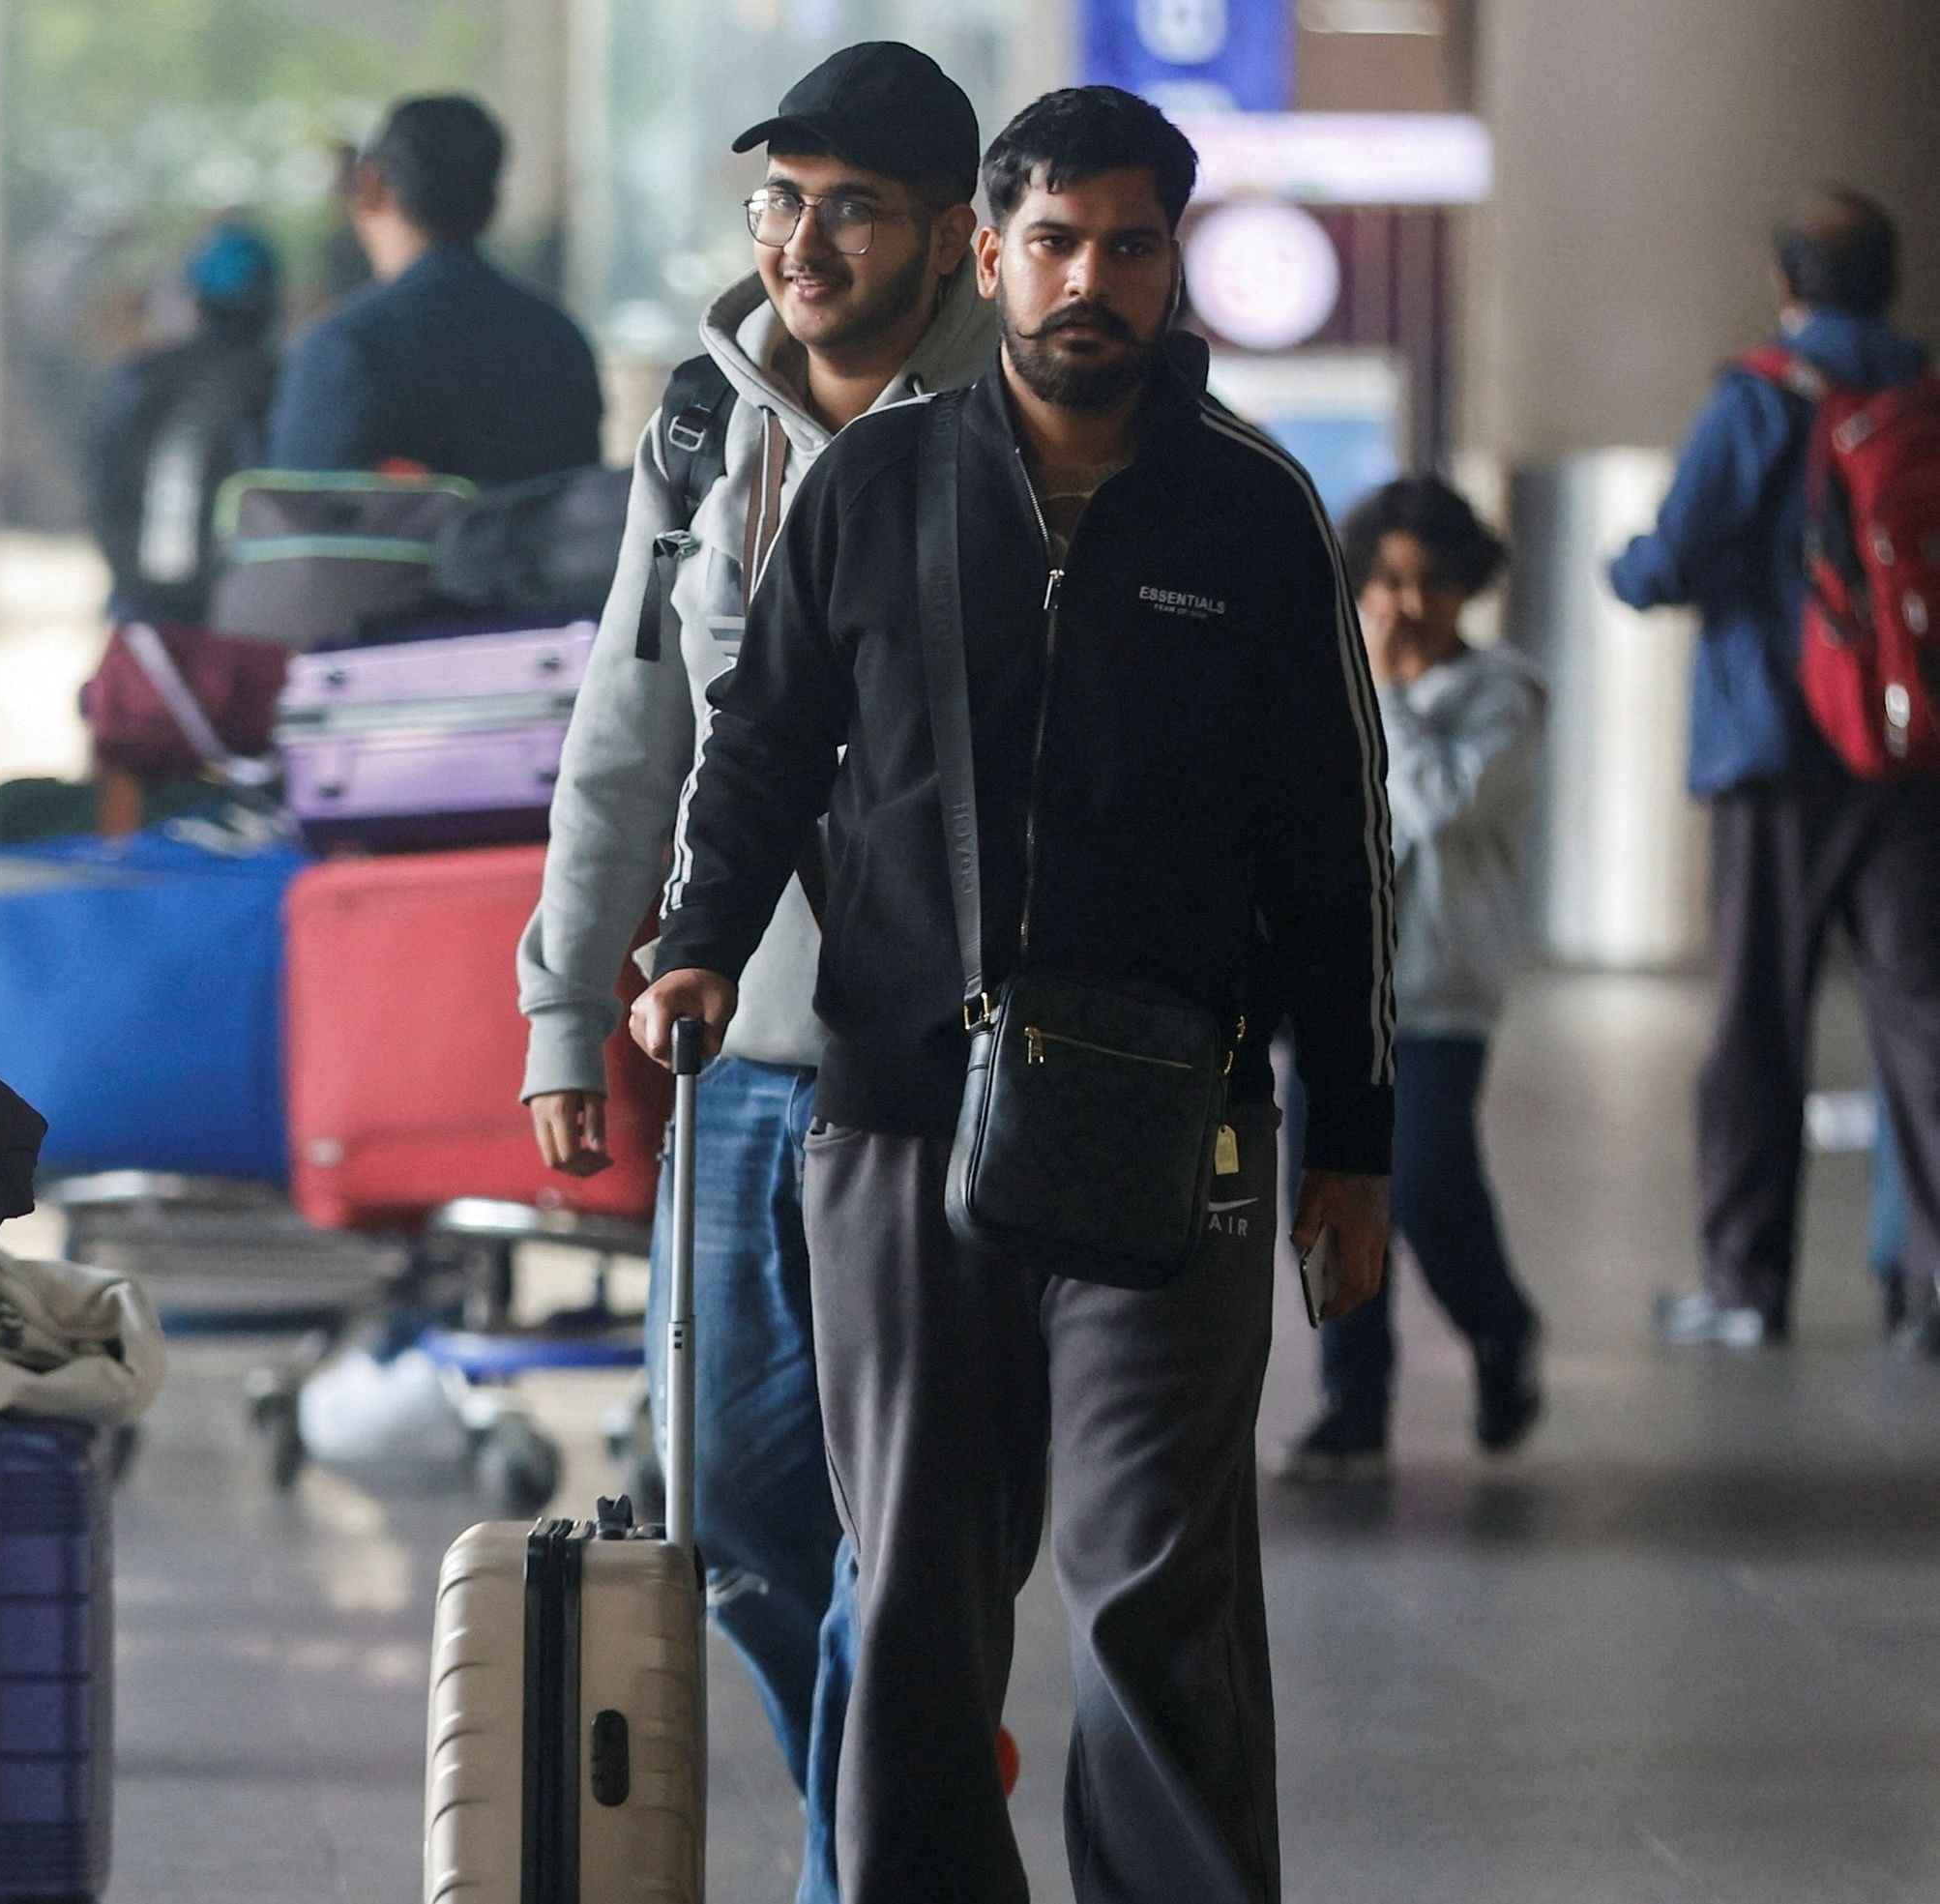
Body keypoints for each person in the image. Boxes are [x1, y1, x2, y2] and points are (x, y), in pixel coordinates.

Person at [631, 87, 1395, 1903]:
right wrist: (693, 940)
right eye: (1053, 243)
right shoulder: (874, 491)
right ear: (990, 256)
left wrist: (1352, 1144)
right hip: (900, 1116)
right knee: (912, 1596)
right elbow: (756, 752)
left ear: (1173, 260)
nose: (1089, 283)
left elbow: (1336, 844)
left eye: (1129, 245)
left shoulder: (1256, 511)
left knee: (1155, 1593)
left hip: (1177, 1117)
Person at [514, 44, 993, 1904]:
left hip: (928, 1066)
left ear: (953, 237)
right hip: (733, 1062)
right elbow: (625, 724)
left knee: (916, 1516)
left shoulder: (1011, 429)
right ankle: (898, 1800)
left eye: (851, 206)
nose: (802, 240)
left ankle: (859, 1864)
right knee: (733, 1512)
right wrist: (569, 999)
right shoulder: (705, 428)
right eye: (779, 200)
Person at [1612, 187, 1940, 1352]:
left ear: (1785, 282)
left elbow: (1670, 556)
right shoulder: (1916, 392)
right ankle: (1926, 1287)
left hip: (1772, 749)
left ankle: (1746, 1285)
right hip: (1908, 753)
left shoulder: (1760, 393)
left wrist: (1629, 567)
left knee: (1757, 1023)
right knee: (1919, 1016)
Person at [1282, 477, 1545, 1482]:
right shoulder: (1319, 677)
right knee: (1320, 1196)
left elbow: (1436, 804)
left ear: (1464, 587)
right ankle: (1351, 1404)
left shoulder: (1502, 695)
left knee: (1427, 1183)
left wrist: (1383, 694)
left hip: (1438, 991)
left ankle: (1498, 1325)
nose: (1401, 603)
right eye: (1384, 581)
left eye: (1428, 582)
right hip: (1330, 985)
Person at [265, 95, 602, 484]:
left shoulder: (347, 348)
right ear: (493, 203)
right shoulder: (560, 342)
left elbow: (295, 526)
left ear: (370, 185)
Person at [89, 219, 282, 628]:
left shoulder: (142, 379)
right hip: (255, 623)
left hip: (146, 617)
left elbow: (105, 492)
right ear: (272, 304)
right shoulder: (284, 384)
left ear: (194, 299)